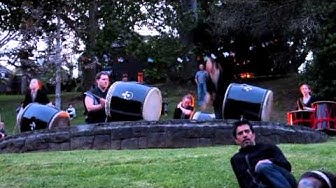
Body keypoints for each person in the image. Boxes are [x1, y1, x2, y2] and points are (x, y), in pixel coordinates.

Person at [230, 119, 296, 188]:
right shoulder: (235, 159)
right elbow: (242, 184)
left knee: (262, 166)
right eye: (240, 133)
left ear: (253, 135)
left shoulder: (268, 147)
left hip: (283, 182)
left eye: (247, 131)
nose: (245, 135)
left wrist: (269, 162)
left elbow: (287, 166)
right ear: (236, 140)